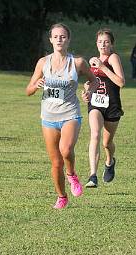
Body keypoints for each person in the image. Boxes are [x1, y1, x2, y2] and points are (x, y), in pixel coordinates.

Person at [25, 23, 98, 209]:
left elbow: (94, 80)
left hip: (70, 114)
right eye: (55, 36)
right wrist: (36, 85)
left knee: (66, 150)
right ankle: (62, 196)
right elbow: (28, 90)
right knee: (56, 162)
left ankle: (72, 174)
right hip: (48, 117)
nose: (59, 39)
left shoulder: (78, 63)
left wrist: (89, 92)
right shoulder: (43, 63)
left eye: (63, 36)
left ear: (68, 40)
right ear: (50, 40)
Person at [84, 29, 125, 189]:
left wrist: (103, 67)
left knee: (107, 143)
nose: (103, 44)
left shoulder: (113, 58)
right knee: (95, 134)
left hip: (112, 105)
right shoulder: (92, 61)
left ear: (111, 44)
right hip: (96, 104)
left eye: (106, 41)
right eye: (100, 42)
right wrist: (86, 92)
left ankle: (110, 161)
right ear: (96, 44)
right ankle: (92, 175)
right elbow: (91, 83)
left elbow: (121, 82)